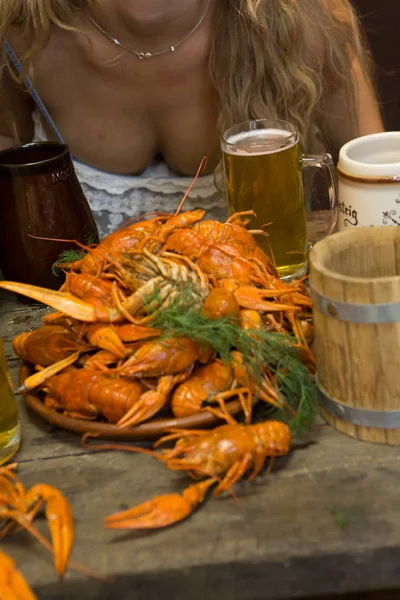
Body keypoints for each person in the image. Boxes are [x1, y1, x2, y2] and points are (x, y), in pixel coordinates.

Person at [0, 0, 384, 237]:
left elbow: (386, 199)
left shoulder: (310, 16)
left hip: (266, 332)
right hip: (75, 336)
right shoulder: (16, 26)